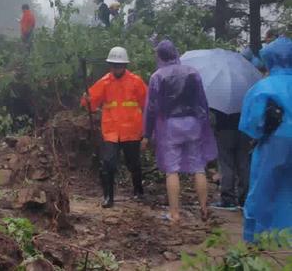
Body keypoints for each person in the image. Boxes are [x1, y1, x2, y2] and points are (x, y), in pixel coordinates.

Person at [143, 40, 218, 223]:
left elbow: (151, 108)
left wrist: (147, 134)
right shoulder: (192, 72)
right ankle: (203, 208)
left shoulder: (157, 77)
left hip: (170, 125)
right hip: (193, 123)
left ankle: (175, 213)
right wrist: (205, 124)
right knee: (199, 167)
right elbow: (202, 102)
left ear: (160, 55)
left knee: (172, 170)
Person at [239, 36, 292, 242]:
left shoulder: (263, 87)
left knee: (263, 187)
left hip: (273, 143)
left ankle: (256, 236)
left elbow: (252, 125)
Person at [81, 47, 147, 208]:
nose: (117, 68)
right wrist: (86, 99)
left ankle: (139, 192)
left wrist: (146, 132)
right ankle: (108, 197)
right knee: (108, 164)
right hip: (111, 132)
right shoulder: (104, 82)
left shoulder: (136, 82)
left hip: (131, 131)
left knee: (133, 163)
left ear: (125, 65)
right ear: (110, 65)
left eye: (120, 65)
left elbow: (147, 105)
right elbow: (90, 103)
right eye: (114, 65)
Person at [210, 109, 251, 210]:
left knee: (226, 165)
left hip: (224, 129)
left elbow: (212, 114)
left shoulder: (219, 96)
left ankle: (228, 199)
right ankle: (245, 199)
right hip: (244, 130)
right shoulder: (244, 94)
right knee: (244, 165)